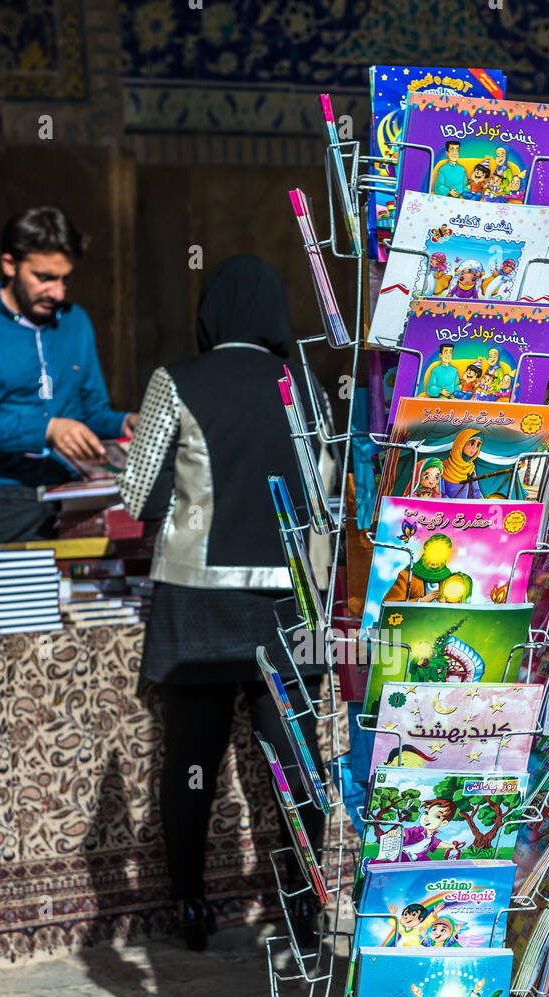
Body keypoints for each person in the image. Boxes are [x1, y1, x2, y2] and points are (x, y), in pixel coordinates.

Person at [118, 255, 333, 951]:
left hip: (199, 605)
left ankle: (189, 909)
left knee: (192, 759)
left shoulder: (176, 380)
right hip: (289, 604)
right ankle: (303, 908)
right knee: (293, 763)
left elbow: (137, 497)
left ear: (209, 315)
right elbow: (326, 492)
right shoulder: (305, 387)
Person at [0, 207, 136, 544]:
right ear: (9, 265)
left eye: (65, 279)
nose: (58, 293)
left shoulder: (76, 321)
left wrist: (125, 423)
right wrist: (47, 430)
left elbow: (90, 412)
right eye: (45, 277)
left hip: (73, 504)